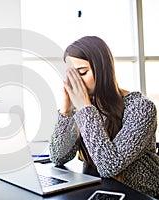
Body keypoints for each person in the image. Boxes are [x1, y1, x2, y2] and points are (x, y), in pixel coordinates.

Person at [49, 36, 159, 198]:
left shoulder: (141, 107)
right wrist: (65, 111)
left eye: (82, 72)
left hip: (141, 194)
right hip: (100, 191)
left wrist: (85, 109)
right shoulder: (83, 106)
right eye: (72, 74)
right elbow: (58, 157)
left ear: (103, 70)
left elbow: (110, 166)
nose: (76, 82)